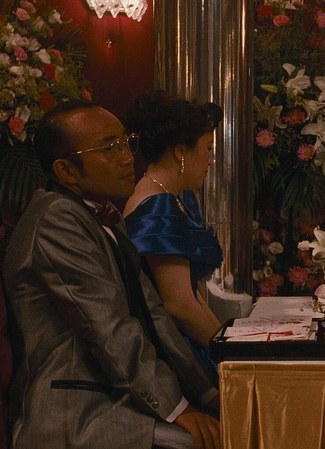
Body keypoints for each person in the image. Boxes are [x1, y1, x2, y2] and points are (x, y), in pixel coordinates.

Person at [3, 100, 221, 449]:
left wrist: (208, 392)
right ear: (66, 170)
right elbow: (110, 329)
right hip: (78, 408)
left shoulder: (102, 213)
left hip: (116, 391)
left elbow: (154, 315)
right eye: (109, 148)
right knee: (212, 441)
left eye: (126, 143)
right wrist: (178, 409)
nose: (127, 158)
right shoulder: (55, 219)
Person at [122, 91, 224, 378]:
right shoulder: (157, 208)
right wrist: (228, 352)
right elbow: (180, 306)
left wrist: (226, 339)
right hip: (172, 350)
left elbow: (193, 294)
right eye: (208, 149)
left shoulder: (175, 197)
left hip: (188, 338)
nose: (210, 160)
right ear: (180, 151)